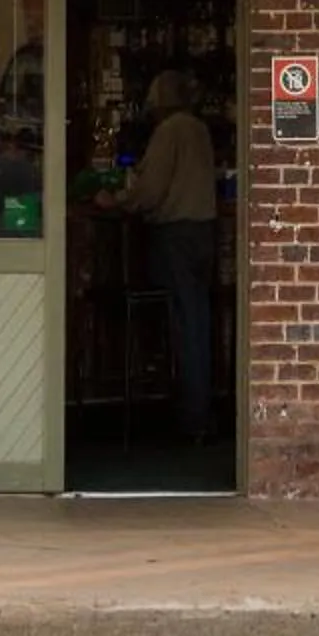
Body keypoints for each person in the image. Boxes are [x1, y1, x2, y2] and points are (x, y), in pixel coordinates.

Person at [111, 69, 218, 442]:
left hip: (176, 235)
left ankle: (191, 419)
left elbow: (150, 191)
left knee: (184, 325)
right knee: (199, 321)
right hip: (204, 232)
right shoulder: (199, 129)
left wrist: (118, 199)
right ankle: (200, 412)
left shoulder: (170, 131)